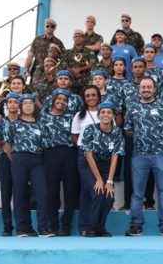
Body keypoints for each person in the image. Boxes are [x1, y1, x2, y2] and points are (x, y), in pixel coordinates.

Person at [124, 77, 163, 236]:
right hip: (139, 155)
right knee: (137, 193)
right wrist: (142, 137)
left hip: (161, 154)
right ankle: (136, 225)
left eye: (149, 87)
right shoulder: (132, 106)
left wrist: (161, 137)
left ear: (154, 89)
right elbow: (127, 129)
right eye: (143, 87)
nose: (146, 89)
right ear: (139, 89)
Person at [3, 93, 52, 237]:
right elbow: (7, 145)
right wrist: (16, 159)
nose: (28, 106)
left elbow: (46, 144)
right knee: (20, 193)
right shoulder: (13, 124)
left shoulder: (40, 124)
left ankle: (43, 228)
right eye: (25, 104)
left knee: (42, 193)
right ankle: (23, 228)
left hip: (37, 160)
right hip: (19, 159)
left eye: (31, 103)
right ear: (20, 106)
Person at [80, 101, 123, 237]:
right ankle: (90, 228)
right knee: (98, 192)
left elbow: (115, 156)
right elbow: (88, 154)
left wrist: (109, 181)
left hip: (106, 166)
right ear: (99, 115)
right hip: (89, 165)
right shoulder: (90, 129)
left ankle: (100, 227)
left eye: (109, 112)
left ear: (113, 116)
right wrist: (98, 179)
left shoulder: (117, 132)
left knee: (109, 196)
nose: (106, 114)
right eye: (103, 112)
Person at [41, 89, 79, 236]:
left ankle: (66, 226)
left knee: (70, 192)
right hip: (50, 154)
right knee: (52, 192)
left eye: (64, 100)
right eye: (59, 99)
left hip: (69, 154)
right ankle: (53, 225)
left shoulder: (72, 117)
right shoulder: (44, 117)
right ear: (53, 100)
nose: (61, 102)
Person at [71, 86, 102, 235]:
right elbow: (75, 136)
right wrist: (84, 146)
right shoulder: (79, 116)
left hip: (102, 157)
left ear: (98, 96)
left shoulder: (105, 113)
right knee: (91, 190)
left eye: (93, 95)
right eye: (87, 95)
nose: (90, 98)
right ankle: (87, 226)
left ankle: (93, 226)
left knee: (89, 192)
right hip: (84, 155)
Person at [0, 92, 21, 236]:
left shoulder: (23, 121)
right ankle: (7, 226)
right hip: (5, 160)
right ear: (7, 105)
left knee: (19, 194)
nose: (13, 105)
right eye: (10, 102)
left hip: (20, 160)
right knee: (6, 194)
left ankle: (20, 226)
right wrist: (1, 151)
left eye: (16, 102)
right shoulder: (1, 122)